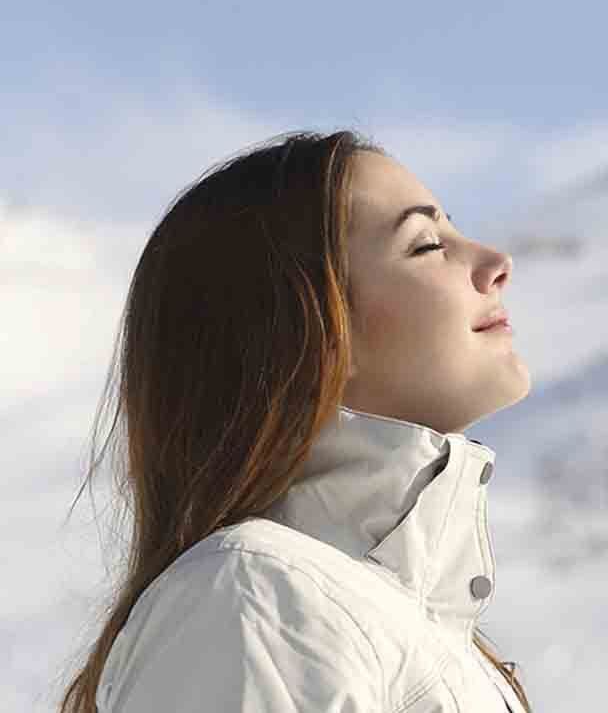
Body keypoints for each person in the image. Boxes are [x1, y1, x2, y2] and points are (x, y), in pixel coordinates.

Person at [57, 129, 533, 712]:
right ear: (310, 333)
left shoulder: (384, 619)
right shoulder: (257, 596)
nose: (495, 263)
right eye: (427, 244)